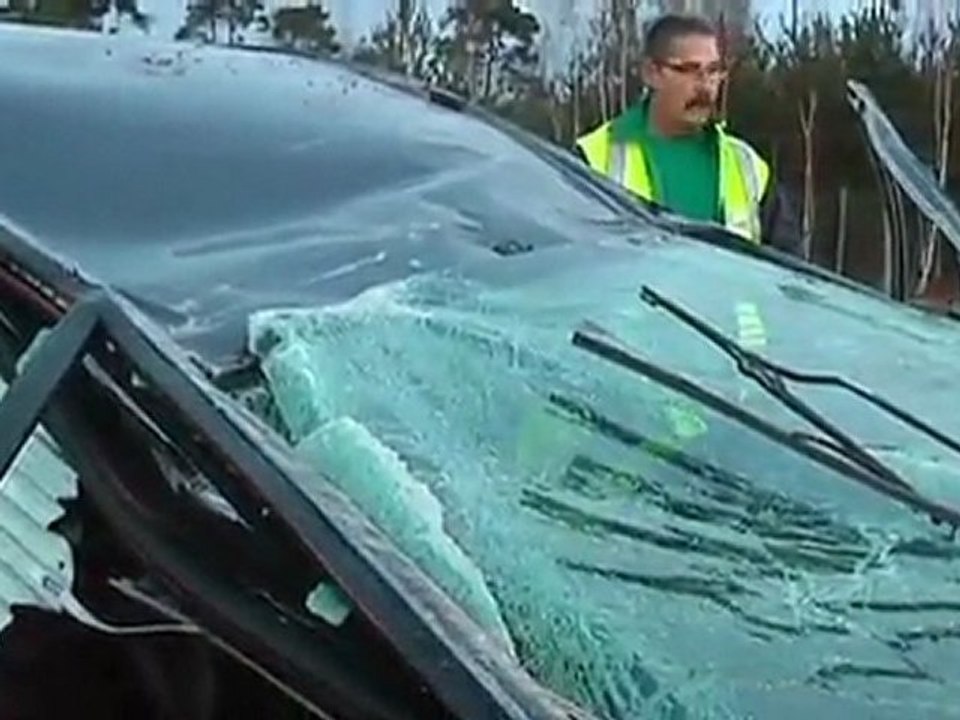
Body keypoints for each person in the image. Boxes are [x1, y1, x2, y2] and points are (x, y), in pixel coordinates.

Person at [576, 13, 801, 254]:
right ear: (651, 73)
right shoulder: (592, 160)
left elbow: (788, 269)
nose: (705, 86)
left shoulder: (747, 166)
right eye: (690, 70)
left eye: (714, 71)